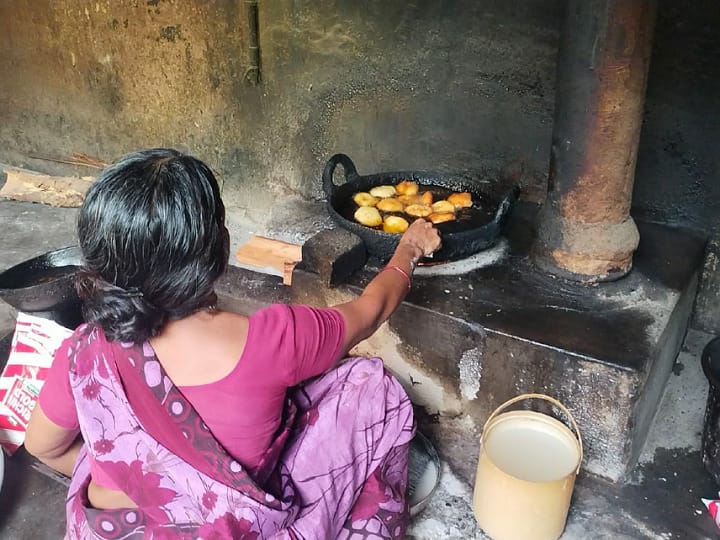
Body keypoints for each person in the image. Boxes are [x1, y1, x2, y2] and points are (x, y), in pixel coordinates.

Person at [24, 149, 441, 539]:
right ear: (219, 249)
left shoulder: (83, 352)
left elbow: (42, 446)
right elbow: (371, 308)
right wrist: (408, 248)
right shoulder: (274, 340)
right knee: (371, 385)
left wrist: (132, 473)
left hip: (112, 528)